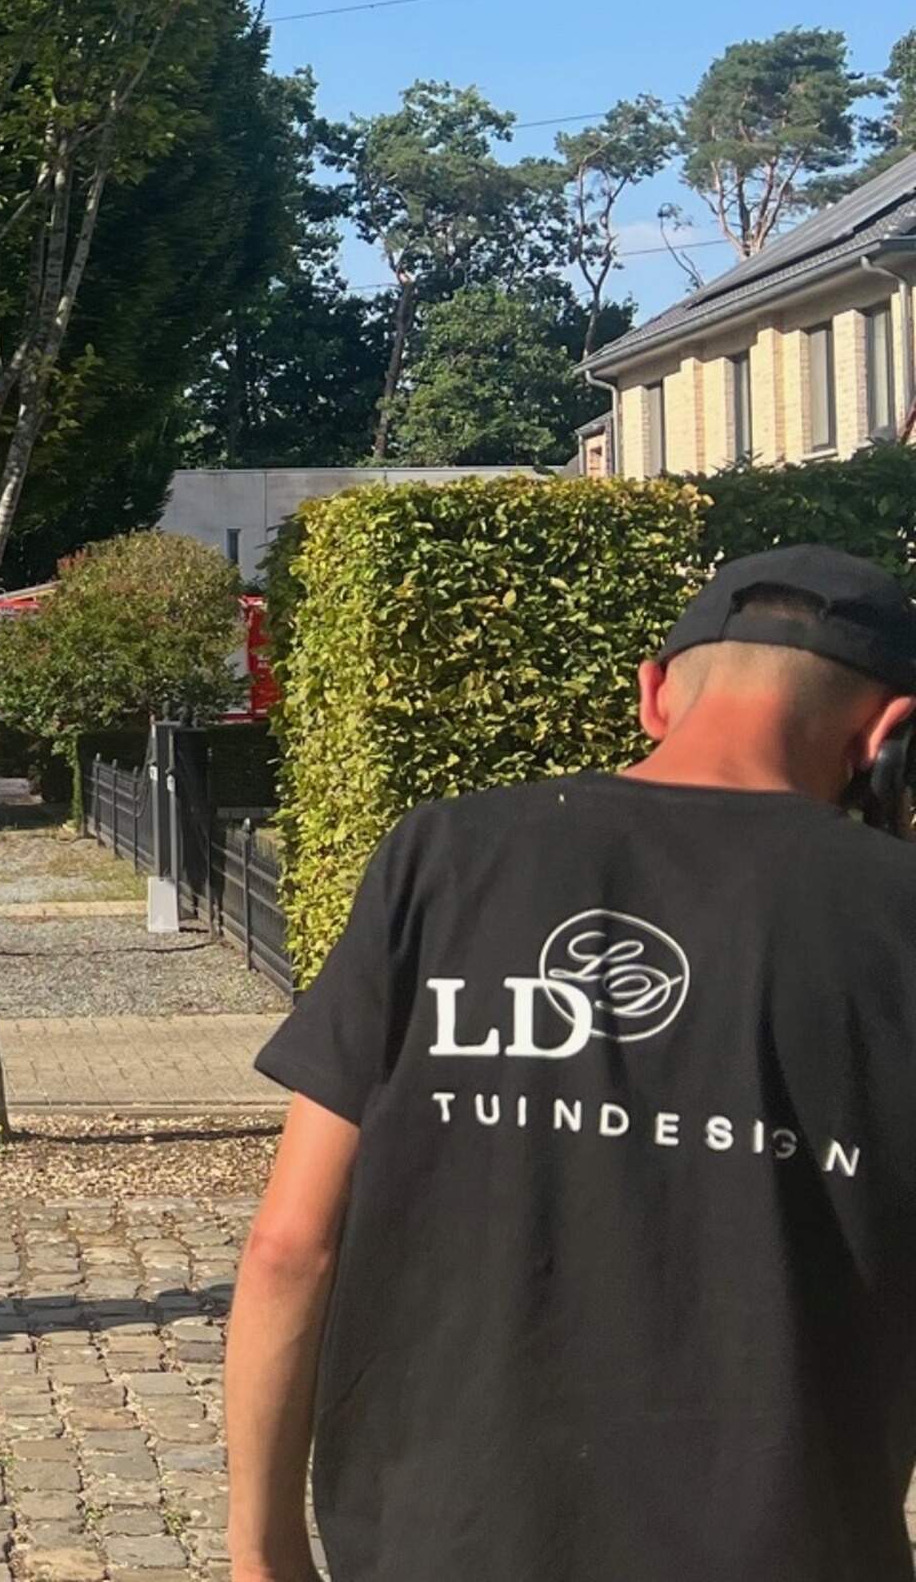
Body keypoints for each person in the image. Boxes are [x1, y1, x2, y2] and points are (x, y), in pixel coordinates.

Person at [226, 547, 916, 1582]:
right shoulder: (896, 915)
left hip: (442, 1543)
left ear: (653, 693)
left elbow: (289, 1245)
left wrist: (263, 1552)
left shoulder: (444, 856)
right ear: (889, 733)